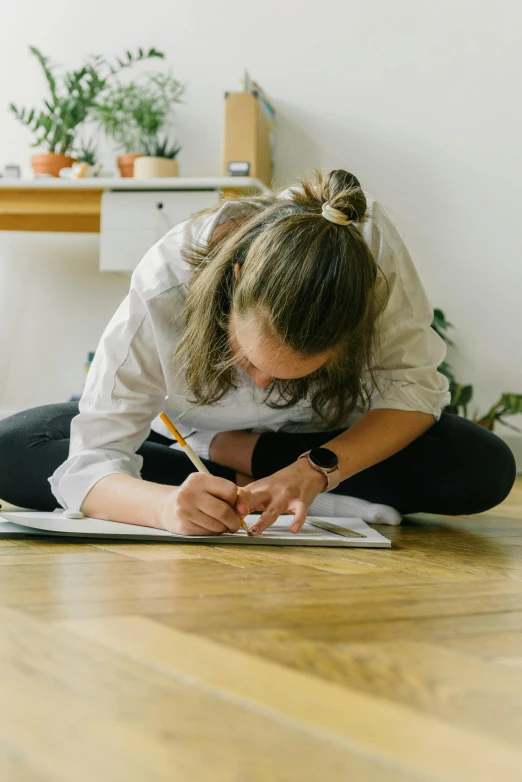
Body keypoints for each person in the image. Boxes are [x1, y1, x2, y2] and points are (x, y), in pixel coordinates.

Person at [0, 170, 515, 536]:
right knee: (15, 445)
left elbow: (414, 386)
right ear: (235, 280)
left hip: (321, 445)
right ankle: (223, 488)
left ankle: (257, 481)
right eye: (249, 359)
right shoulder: (168, 280)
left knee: (480, 465)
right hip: (184, 443)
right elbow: (92, 458)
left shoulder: (366, 257)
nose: (262, 386)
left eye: (296, 372)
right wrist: (165, 509)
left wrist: (315, 469)